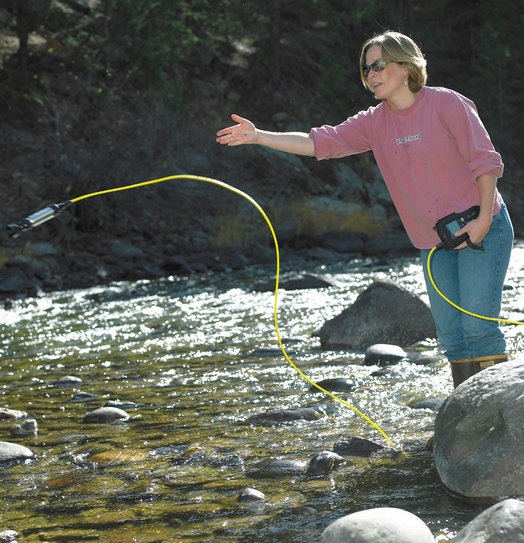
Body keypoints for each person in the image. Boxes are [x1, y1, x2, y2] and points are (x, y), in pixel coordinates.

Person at [216, 30, 514, 388]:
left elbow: (485, 162)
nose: (372, 75)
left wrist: (484, 219)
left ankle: (495, 411)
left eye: (379, 66)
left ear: (406, 66)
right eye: (366, 69)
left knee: (479, 329)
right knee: (452, 337)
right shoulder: (373, 122)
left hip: (482, 228)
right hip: (435, 244)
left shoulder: (446, 103)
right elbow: (317, 142)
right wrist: (259, 136)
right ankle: (467, 414)